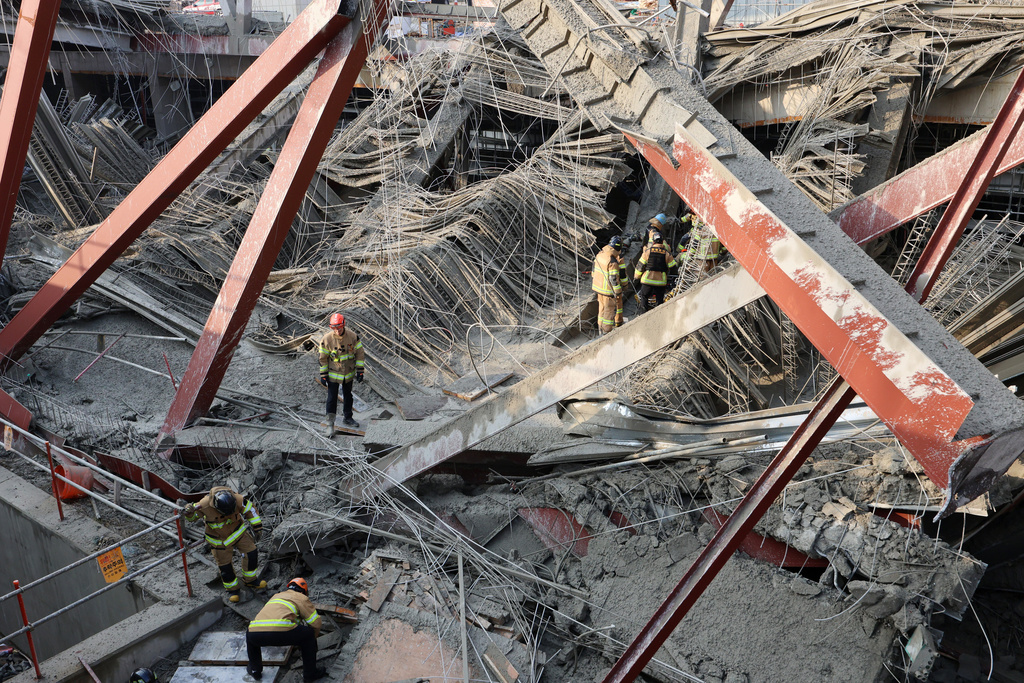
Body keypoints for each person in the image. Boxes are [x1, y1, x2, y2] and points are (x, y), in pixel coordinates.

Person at [182, 486, 266, 602]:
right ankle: (233, 590)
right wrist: (189, 512)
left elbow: (250, 510)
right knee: (225, 566)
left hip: (238, 533)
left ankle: (251, 580)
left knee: (251, 553)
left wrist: (257, 527)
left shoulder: (238, 499)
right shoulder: (204, 505)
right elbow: (193, 518)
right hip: (219, 540)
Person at [246, 577, 326, 682]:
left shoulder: (276, 596)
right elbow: (316, 623)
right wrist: (310, 642)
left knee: (250, 634)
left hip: (255, 633)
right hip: (281, 632)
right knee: (308, 635)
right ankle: (310, 674)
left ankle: (255, 670)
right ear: (304, 591)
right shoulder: (301, 597)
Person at [318, 312, 365, 435]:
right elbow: (322, 358)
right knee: (332, 399)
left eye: (339, 327)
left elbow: (360, 354)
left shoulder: (353, 337)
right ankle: (330, 423)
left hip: (348, 373)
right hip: (333, 375)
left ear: (343, 325)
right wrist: (323, 375)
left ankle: (348, 417)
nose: (337, 330)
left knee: (348, 396)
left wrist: (360, 371)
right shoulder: (327, 339)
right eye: (334, 328)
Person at [635, 234, 677, 312]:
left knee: (644, 297)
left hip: (647, 280)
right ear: (662, 242)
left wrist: (637, 277)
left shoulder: (647, 252)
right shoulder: (667, 254)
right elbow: (673, 268)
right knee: (659, 300)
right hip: (660, 282)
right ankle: (658, 315)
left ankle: (643, 314)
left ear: (653, 242)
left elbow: (640, 266)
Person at [591, 237, 625, 334]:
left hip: (598, 288)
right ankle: (606, 332)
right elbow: (613, 279)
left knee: (601, 309)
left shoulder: (600, 255)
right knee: (608, 312)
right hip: (608, 291)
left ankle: (600, 328)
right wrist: (618, 291)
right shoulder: (612, 262)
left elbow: (593, 270)